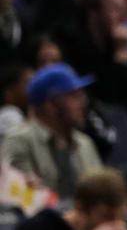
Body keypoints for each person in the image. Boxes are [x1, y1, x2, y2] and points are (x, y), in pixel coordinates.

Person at [2, 63, 101, 203]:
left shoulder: (85, 143)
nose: (83, 102)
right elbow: (17, 202)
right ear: (50, 105)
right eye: (74, 96)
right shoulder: (19, 141)